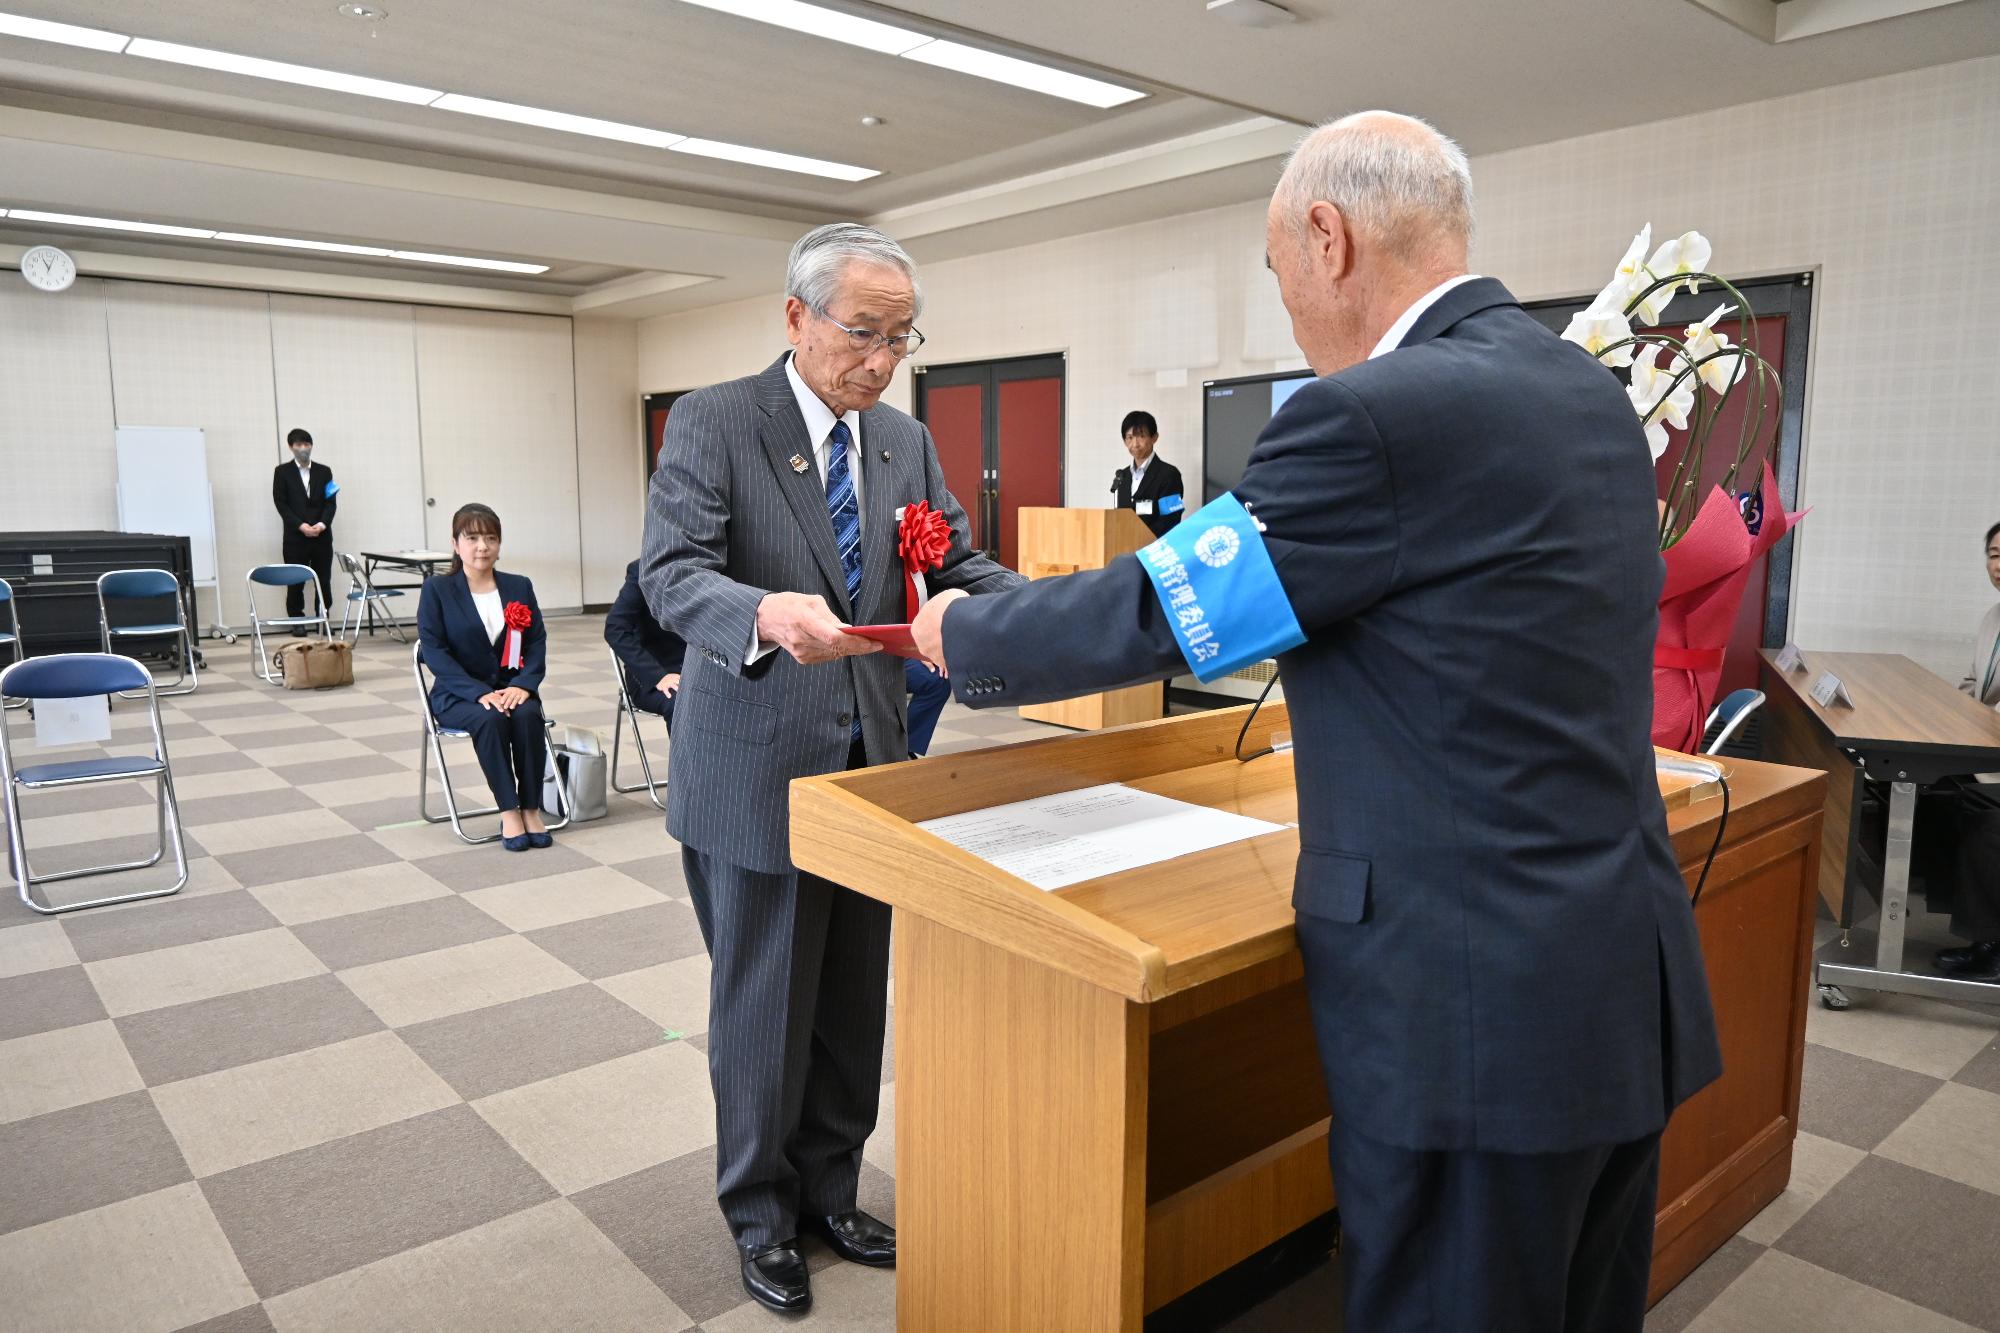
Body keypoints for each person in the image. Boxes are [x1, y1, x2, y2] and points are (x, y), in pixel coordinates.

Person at [914, 111, 1722, 1333]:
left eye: (1275, 263)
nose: (1285, 301)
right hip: (1608, 972)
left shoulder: (1371, 417)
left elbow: (1162, 608)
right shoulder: (1577, 388)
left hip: (1466, 1014)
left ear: (1326, 238)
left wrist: (957, 633)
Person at [639, 222, 1022, 1315]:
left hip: (873, 762)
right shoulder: (715, 421)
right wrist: (758, 611)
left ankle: (831, 1189)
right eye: (863, 332)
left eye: (900, 337)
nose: (880, 358)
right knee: (765, 1005)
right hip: (754, 763)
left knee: (853, 999)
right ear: (797, 316)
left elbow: (949, 553)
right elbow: (670, 576)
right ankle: (759, 1216)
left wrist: (1045, 606)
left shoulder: (899, 438)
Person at [417, 504, 555, 853]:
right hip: (458, 695)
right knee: (491, 718)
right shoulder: (438, 590)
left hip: (513, 690)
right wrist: (479, 692)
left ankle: (531, 809)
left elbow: (536, 641)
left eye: (491, 538)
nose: (482, 546)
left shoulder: (518, 586)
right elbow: (434, 652)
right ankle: (510, 812)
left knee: (526, 716)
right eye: (473, 537)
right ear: (455, 543)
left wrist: (524, 684)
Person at [1937, 519, 2000, 982]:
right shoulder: (1992, 617)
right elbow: (1973, 682)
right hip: (1988, 751)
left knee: (1986, 812)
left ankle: (1991, 941)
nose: (1999, 564)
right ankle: (1980, 934)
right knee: (1933, 789)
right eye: (1994, 554)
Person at [605, 558, 686, 731]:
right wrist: (658, 676)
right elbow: (615, 629)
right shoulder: (644, 570)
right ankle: (687, 759)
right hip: (656, 671)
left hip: (699, 669)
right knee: (682, 702)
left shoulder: (710, 566)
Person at [272, 428, 335, 632]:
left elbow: (331, 503)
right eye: (298, 445)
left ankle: (323, 620)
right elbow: (281, 504)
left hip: (322, 537)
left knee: (323, 580)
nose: (303, 448)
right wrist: (301, 526)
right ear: (291, 447)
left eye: (306, 444)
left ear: (311, 446)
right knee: (295, 580)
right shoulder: (281, 472)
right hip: (295, 537)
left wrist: (322, 524)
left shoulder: (325, 471)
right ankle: (296, 621)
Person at [1109, 409, 1186, 538]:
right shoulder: (1122, 476)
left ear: (1154, 437)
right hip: (1124, 549)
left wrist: (1140, 538)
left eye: (1141, 436)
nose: (1135, 444)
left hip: (1154, 550)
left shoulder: (1169, 474)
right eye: (1129, 438)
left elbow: (1171, 520)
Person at [905, 657, 949, 757]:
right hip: (868, 658)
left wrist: (921, 653)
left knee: (939, 679)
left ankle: (905, 745)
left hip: (898, 656)